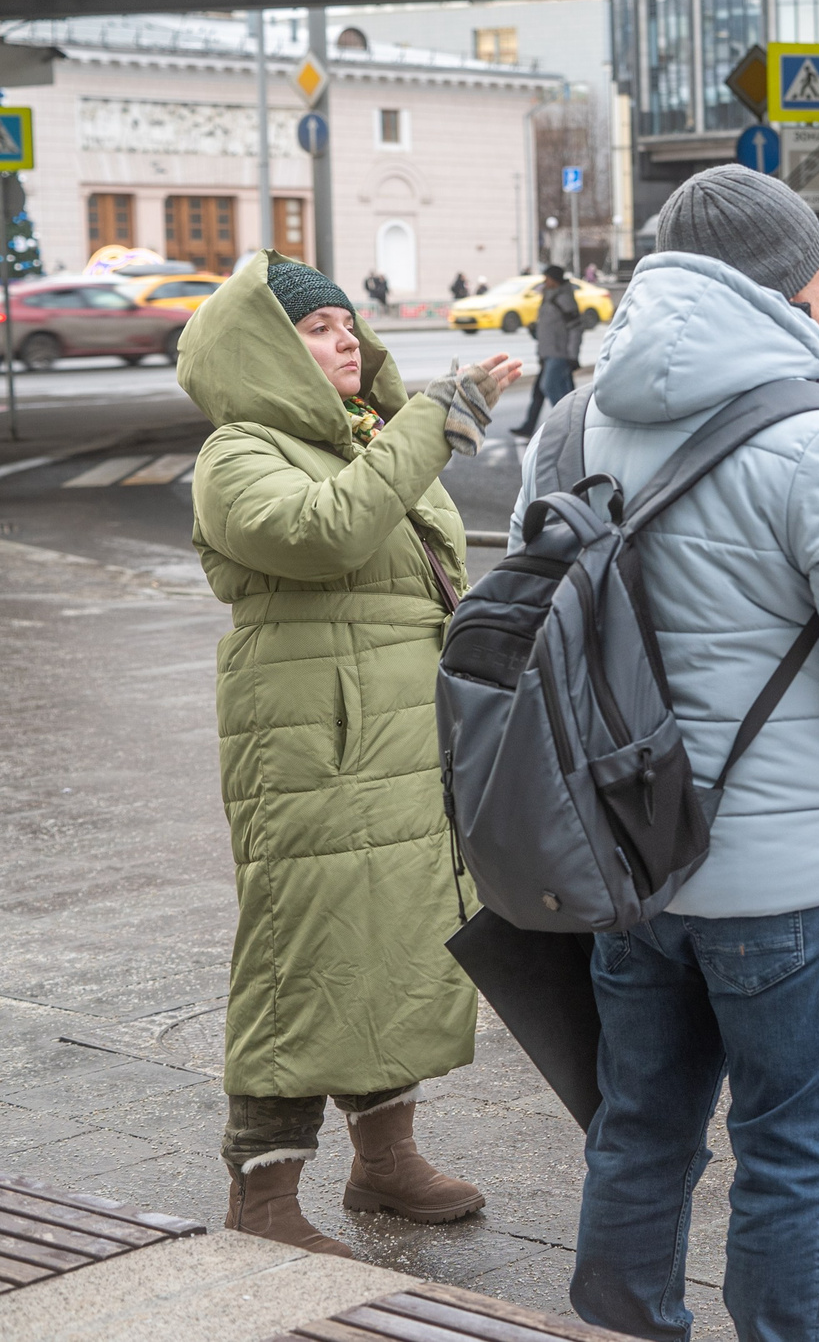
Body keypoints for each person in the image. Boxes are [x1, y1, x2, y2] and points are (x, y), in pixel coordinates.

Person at [511, 164, 819, 1341]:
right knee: (792, 1156)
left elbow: (533, 625)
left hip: (628, 866)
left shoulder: (572, 426)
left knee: (637, 1129)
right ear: (794, 286)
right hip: (798, 886)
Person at [178, 253, 519, 1256]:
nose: (345, 342)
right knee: (303, 949)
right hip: (310, 741)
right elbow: (328, 535)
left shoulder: (354, 438)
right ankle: (264, 1196)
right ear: (268, 349)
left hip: (396, 732)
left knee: (396, 939)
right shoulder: (239, 454)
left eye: (344, 325)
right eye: (318, 329)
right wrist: (429, 422)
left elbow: (430, 564)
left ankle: (383, 1161)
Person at [510, 264, 591, 439]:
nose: (545, 282)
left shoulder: (564, 299)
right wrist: (536, 332)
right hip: (548, 353)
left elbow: (575, 329)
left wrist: (572, 355)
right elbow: (551, 328)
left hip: (560, 354)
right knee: (546, 392)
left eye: (547, 279)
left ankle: (567, 425)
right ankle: (533, 426)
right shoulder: (548, 297)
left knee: (550, 387)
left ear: (554, 280)